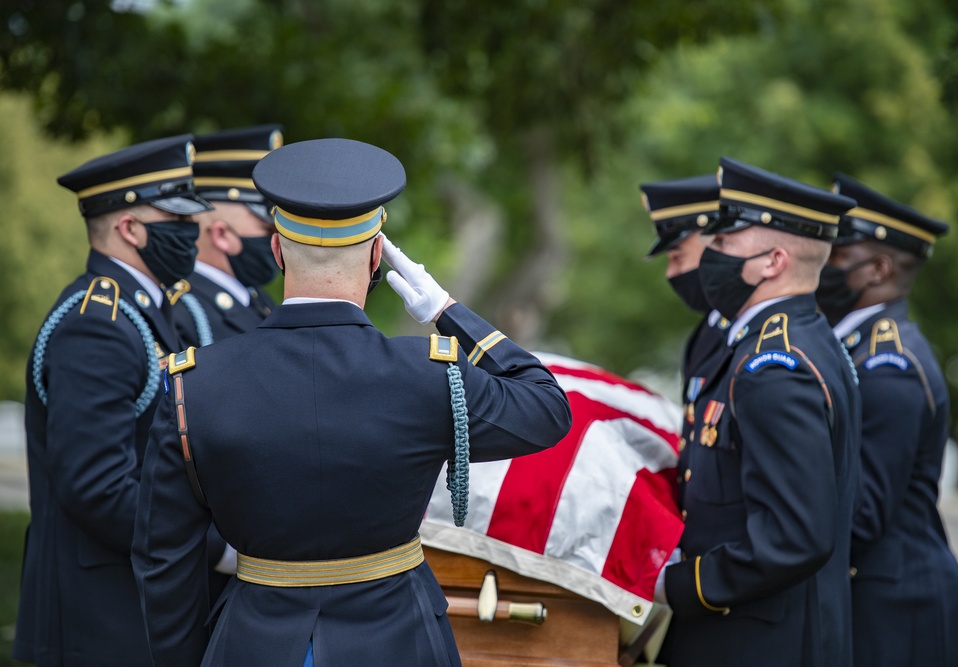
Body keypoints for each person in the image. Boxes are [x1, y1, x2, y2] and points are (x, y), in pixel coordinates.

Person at [131, 137, 574, 666]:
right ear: (375, 256)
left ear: (276, 251)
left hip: (253, 645)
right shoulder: (428, 374)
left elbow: (164, 562)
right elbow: (547, 409)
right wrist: (447, 310)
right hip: (400, 642)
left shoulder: (194, 384)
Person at [655, 157, 861, 667]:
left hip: (758, 640)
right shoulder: (793, 339)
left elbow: (795, 535)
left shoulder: (774, 365)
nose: (712, 254)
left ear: (773, 262)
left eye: (724, 243)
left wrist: (680, 584)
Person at [14, 135, 211, 666]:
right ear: (128, 228)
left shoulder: (147, 316)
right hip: (98, 622)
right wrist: (214, 544)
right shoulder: (97, 328)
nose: (192, 235)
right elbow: (98, 488)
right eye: (178, 222)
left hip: (133, 612)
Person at [816, 173, 958, 667]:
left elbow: (865, 513)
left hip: (901, 614)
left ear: (878, 268)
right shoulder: (856, 348)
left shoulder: (889, 366)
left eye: (837, 255)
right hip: (881, 602)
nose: (821, 264)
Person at [640, 175, 730, 502]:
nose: (671, 273)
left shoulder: (757, 338)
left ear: (718, 241)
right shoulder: (707, 333)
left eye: (678, 256)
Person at [173, 124, 283, 349]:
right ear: (221, 234)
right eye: (268, 232)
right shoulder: (180, 313)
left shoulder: (258, 300)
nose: (278, 242)